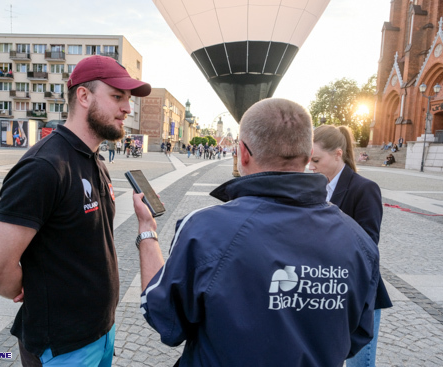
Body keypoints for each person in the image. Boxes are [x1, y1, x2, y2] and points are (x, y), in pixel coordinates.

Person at [132, 98, 380, 366]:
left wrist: (147, 230)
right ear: (308, 155)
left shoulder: (204, 230)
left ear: (243, 153)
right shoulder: (358, 241)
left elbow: (165, 318)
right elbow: (357, 335)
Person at [0, 54, 151, 367]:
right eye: (117, 97)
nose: (127, 108)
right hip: (62, 347)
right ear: (83, 95)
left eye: (128, 99)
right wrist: (30, 288)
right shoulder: (44, 167)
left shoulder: (94, 160)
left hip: (100, 332)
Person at [309, 125, 393, 367]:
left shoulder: (364, 188)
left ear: (338, 154)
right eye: (308, 160)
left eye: (316, 159)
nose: (310, 166)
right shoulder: (314, 187)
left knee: (360, 364)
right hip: (322, 289)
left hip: (358, 292)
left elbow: (368, 246)